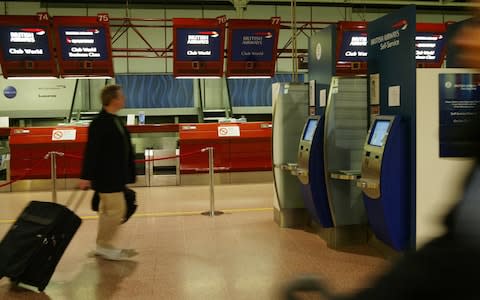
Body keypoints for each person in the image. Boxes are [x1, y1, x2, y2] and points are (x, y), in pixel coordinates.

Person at [79, 84, 137, 261]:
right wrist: (85, 176)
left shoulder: (115, 120)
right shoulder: (99, 123)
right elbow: (91, 151)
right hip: (106, 177)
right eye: (121, 96)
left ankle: (102, 244)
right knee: (117, 210)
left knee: (107, 211)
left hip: (115, 176)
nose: (124, 99)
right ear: (113, 99)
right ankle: (104, 246)